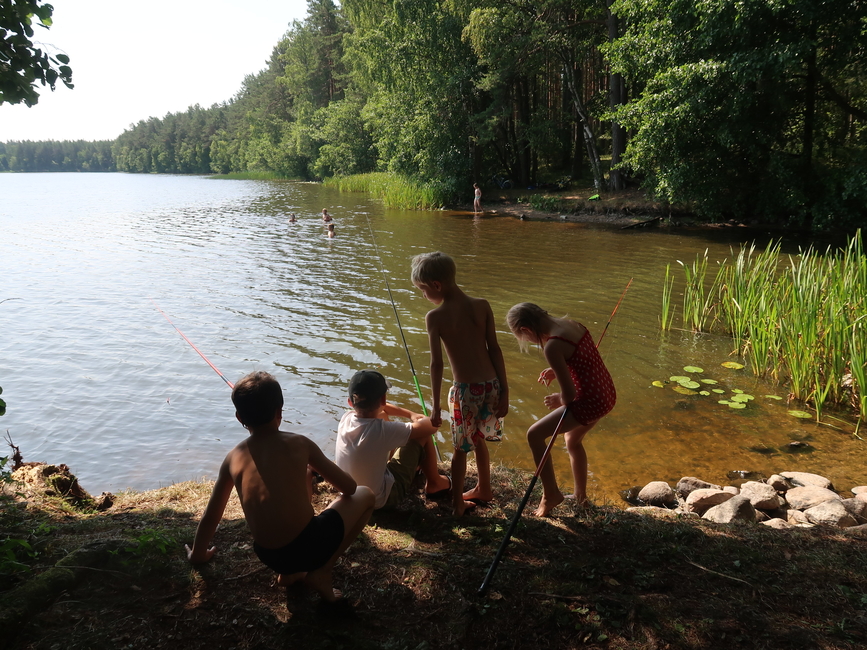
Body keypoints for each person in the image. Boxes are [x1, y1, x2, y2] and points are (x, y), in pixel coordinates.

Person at [186, 371, 374, 602]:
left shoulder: (233, 458)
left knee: (302, 482)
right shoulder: (299, 443)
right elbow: (350, 488)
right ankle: (322, 572)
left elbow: (211, 516)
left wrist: (198, 555)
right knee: (366, 495)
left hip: (268, 555)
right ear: (279, 412)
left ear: (239, 417)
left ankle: (289, 574)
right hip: (308, 549)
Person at [411, 252, 509, 516]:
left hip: (465, 393)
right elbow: (495, 350)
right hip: (491, 386)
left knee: (460, 448)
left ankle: (456, 504)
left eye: (423, 289)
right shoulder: (482, 305)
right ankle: (483, 488)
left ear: (437, 285)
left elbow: (436, 364)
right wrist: (505, 391)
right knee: (478, 440)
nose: (423, 295)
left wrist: (434, 407)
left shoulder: (435, 317)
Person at [506, 303, 616, 516]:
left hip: (591, 400)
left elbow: (570, 396)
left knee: (534, 434)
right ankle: (580, 497)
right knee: (572, 441)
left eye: (523, 337)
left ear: (526, 330)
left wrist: (560, 399)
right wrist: (558, 370)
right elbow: (581, 361)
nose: (526, 341)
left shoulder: (552, 346)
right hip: (606, 393)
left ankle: (550, 495)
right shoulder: (572, 324)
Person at [335, 370, 450, 509]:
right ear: (383, 399)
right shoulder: (382, 430)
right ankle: (435, 483)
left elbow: (382, 409)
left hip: (352, 496)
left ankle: (404, 465)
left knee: (382, 415)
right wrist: (424, 418)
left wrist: (410, 414)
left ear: (350, 402)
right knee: (421, 434)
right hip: (379, 501)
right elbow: (430, 427)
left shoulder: (346, 418)